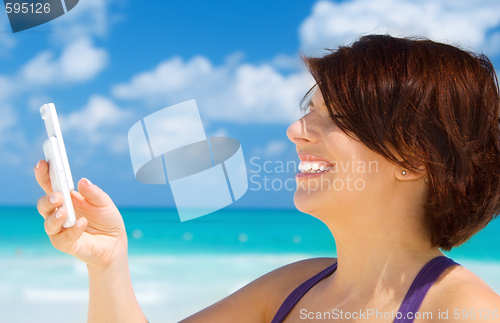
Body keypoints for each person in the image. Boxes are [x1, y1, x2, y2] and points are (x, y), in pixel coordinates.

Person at [34, 34, 500, 323]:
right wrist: (107, 262)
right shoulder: (292, 289)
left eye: (333, 117)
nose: (296, 132)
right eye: (306, 113)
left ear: (414, 157)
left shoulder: (465, 314)